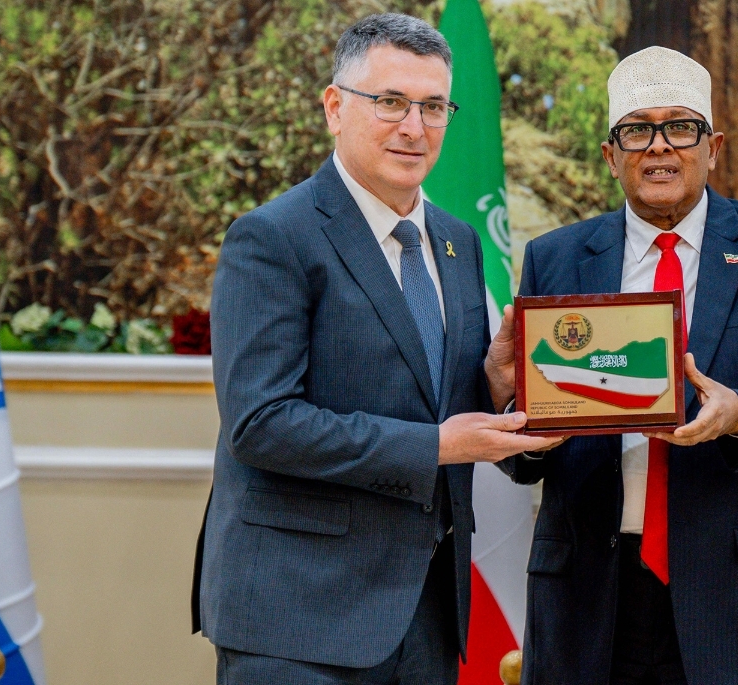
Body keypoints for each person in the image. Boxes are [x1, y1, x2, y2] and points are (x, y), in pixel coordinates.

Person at [190, 13, 556, 685]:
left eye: (434, 106)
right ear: (335, 107)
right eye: (390, 102)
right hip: (297, 615)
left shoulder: (457, 240)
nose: (415, 127)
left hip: (427, 612)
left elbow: (441, 405)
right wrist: (438, 445)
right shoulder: (272, 237)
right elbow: (261, 424)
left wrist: (499, 385)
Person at [502, 46, 738, 684]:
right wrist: (515, 410)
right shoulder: (555, 259)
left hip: (737, 599)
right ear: (611, 156)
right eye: (637, 130)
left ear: (712, 147)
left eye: (681, 127)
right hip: (588, 595)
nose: (659, 147)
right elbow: (524, 453)